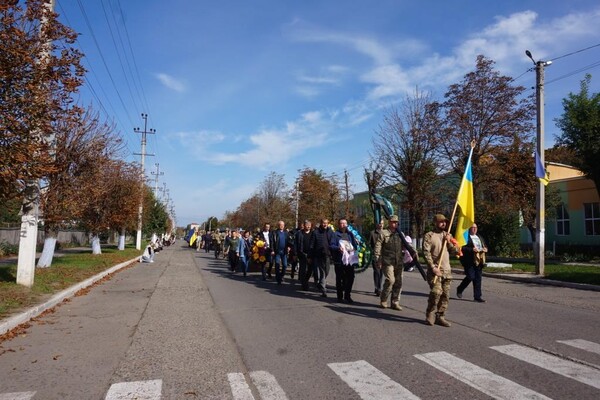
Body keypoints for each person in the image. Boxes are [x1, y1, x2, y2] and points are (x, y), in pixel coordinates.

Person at [423, 214, 461, 327]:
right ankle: (430, 313)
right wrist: (433, 267)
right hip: (434, 270)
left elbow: (455, 252)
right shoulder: (429, 235)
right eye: (441, 222)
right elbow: (426, 253)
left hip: (446, 271)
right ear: (435, 222)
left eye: (445, 222)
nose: (444, 223)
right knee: (436, 292)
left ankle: (440, 316)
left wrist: (449, 241)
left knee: (445, 296)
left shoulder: (447, 235)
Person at [374, 215, 405, 310]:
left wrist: (413, 252)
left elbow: (407, 245)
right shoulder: (383, 233)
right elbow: (378, 246)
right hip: (387, 261)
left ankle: (395, 302)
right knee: (390, 280)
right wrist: (378, 259)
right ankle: (384, 299)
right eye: (392, 222)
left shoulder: (400, 234)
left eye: (396, 222)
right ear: (389, 222)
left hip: (399, 261)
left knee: (399, 282)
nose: (394, 223)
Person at [456, 223, 488, 302]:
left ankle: (477, 297)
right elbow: (461, 248)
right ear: (469, 228)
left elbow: (484, 245)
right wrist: (471, 250)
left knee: (478, 278)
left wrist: (485, 249)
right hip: (468, 260)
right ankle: (460, 288)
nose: (474, 229)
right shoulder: (465, 237)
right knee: (470, 276)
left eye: (476, 227)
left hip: (478, 260)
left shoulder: (479, 236)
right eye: (473, 227)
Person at [331, 218, 358, 303]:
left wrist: (353, 248)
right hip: (339, 260)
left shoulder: (350, 234)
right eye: (341, 223)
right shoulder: (335, 234)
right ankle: (340, 296)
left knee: (350, 278)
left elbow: (355, 246)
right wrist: (338, 248)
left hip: (349, 260)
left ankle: (347, 295)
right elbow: (331, 245)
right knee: (339, 278)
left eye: (344, 223)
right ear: (339, 225)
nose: (343, 225)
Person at [309, 218, 334, 298]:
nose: (325, 224)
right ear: (321, 223)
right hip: (318, 255)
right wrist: (310, 256)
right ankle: (324, 289)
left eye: (326, 223)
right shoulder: (316, 232)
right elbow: (312, 245)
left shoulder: (330, 232)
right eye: (323, 223)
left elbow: (333, 242)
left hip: (327, 255)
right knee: (322, 272)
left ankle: (320, 283)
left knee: (327, 271)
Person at [295, 220, 314, 291]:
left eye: (310, 225)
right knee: (303, 269)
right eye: (307, 225)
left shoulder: (313, 233)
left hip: (311, 254)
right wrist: (295, 253)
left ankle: (305, 281)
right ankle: (304, 284)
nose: (308, 226)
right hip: (302, 253)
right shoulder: (299, 233)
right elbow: (296, 244)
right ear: (304, 225)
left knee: (310, 270)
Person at [271, 220, 291, 285]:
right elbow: (272, 242)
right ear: (278, 225)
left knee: (285, 265)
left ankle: (281, 275)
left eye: (283, 225)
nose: (281, 226)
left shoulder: (286, 233)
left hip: (284, 252)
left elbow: (289, 241)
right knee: (277, 265)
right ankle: (278, 278)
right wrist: (272, 250)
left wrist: (289, 247)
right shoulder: (275, 233)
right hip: (277, 251)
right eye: (280, 225)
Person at [369, 221, 384, 296]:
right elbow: (369, 244)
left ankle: (378, 287)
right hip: (375, 255)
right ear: (377, 224)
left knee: (381, 272)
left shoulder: (385, 233)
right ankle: (378, 288)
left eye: (382, 223)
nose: (381, 225)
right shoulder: (372, 233)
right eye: (379, 223)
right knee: (377, 271)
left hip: (384, 255)